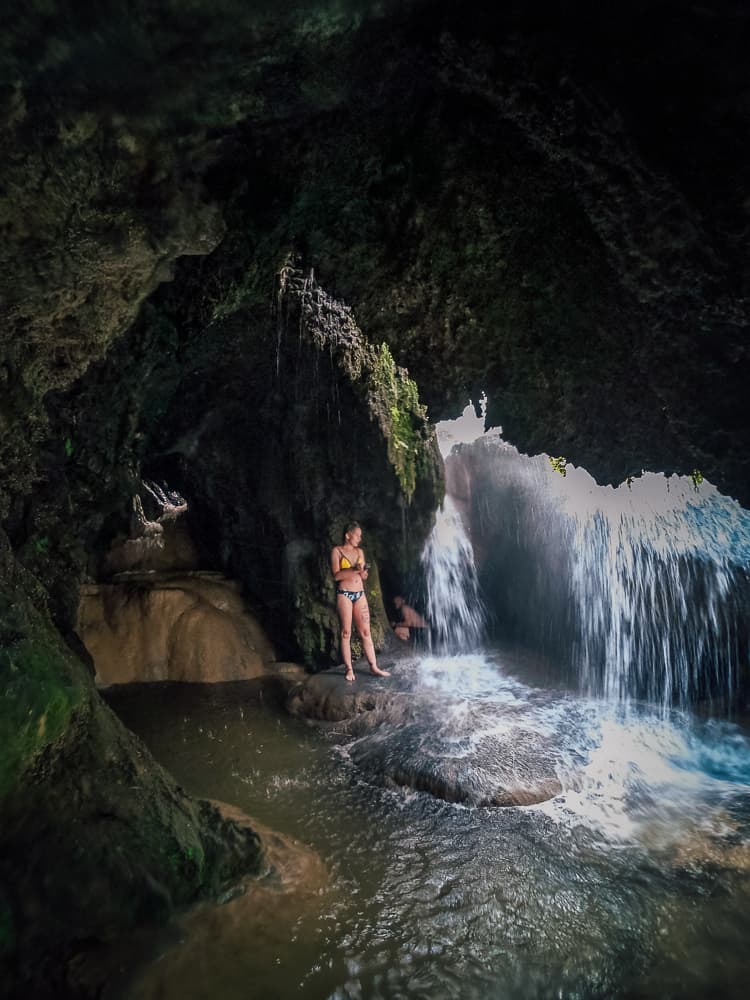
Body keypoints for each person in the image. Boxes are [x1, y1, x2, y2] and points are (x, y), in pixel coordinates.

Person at [331, 522, 390, 682]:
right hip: (345, 594)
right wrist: (355, 569)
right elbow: (337, 576)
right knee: (346, 633)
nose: (359, 538)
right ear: (348, 535)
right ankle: (349, 669)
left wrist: (363, 573)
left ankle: (374, 667)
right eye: (357, 535)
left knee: (365, 632)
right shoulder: (337, 551)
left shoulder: (360, 552)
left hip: (360, 594)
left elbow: (363, 575)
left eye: (360, 536)